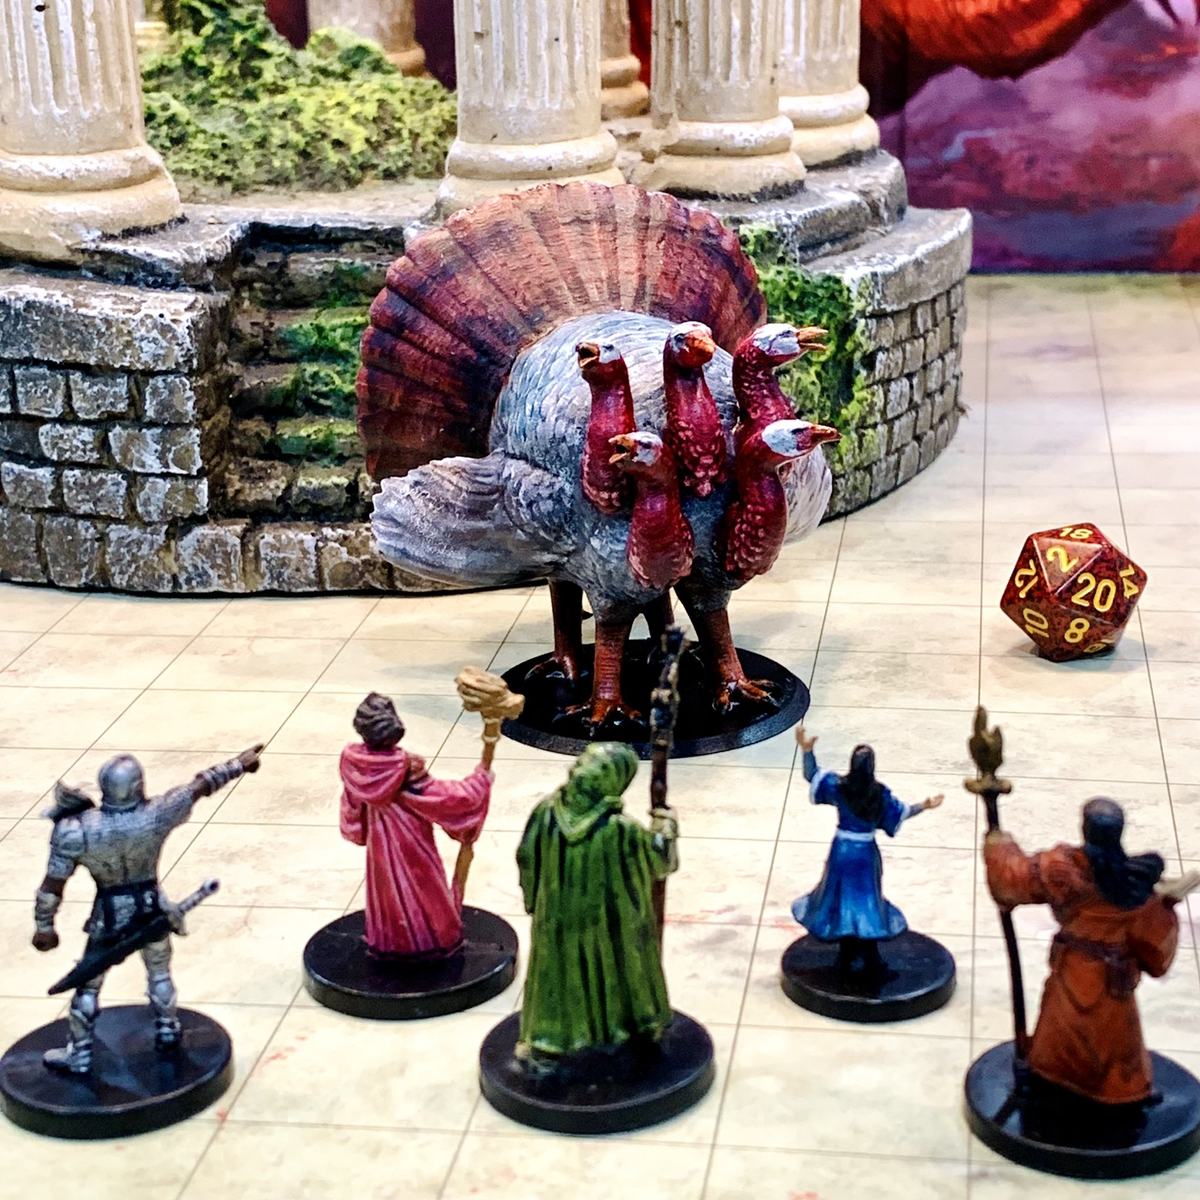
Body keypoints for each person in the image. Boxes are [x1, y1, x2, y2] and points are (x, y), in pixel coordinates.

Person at [32, 747, 262, 1074]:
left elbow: (52, 886)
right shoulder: (155, 814)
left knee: (90, 984)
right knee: (158, 972)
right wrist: (238, 764)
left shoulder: (76, 829)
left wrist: (44, 926)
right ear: (138, 786)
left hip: (109, 915)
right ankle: (167, 1028)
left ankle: (82, 1053)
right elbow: (200, 786)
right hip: (152, 908)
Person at [985, 797, 1187, 1105]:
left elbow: (1014, 877)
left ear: (1084, 828)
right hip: (1110, 979)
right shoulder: (1134, 886)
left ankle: (1067, 1075)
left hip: (1074, 971)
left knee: (1066, 1027)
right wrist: (1165, 908)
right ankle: (1102, 1084)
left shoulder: (1059, 868)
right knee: (1111, 1039)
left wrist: (1000, 845)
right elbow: (1153, 939)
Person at [516, 742, 678, 1065]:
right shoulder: (612, 827)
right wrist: (665, 827)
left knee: (590, 970)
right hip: (596, 924)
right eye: (583, 761)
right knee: (610, 968)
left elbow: (527, 859)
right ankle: (573, 1036)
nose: (580, 768)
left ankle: (566, 1038)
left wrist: (535, 901)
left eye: (595, 765)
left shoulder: (556, 816)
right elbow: (659, 861)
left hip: (577, 923)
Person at [339, 692, 492, 958]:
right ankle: (426, 940)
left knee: (386, 889)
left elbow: (352, 808)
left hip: (379, 839)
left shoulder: (357, 765)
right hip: (410, 843)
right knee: (421, 887)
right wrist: (479, 782)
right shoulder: (406, 769)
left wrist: (356, 829)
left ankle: (390, 939)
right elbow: (446, 799)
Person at [791, 724, 943, 975]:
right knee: (866, 900)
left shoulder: (840, 786)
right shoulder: (878, 794)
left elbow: (812, 775)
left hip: (843, 851)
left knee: (844, 898)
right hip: (864, 854)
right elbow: (902, 811)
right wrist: (923, 806)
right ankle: (865, 952)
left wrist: (807, 752)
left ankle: (850, 953)